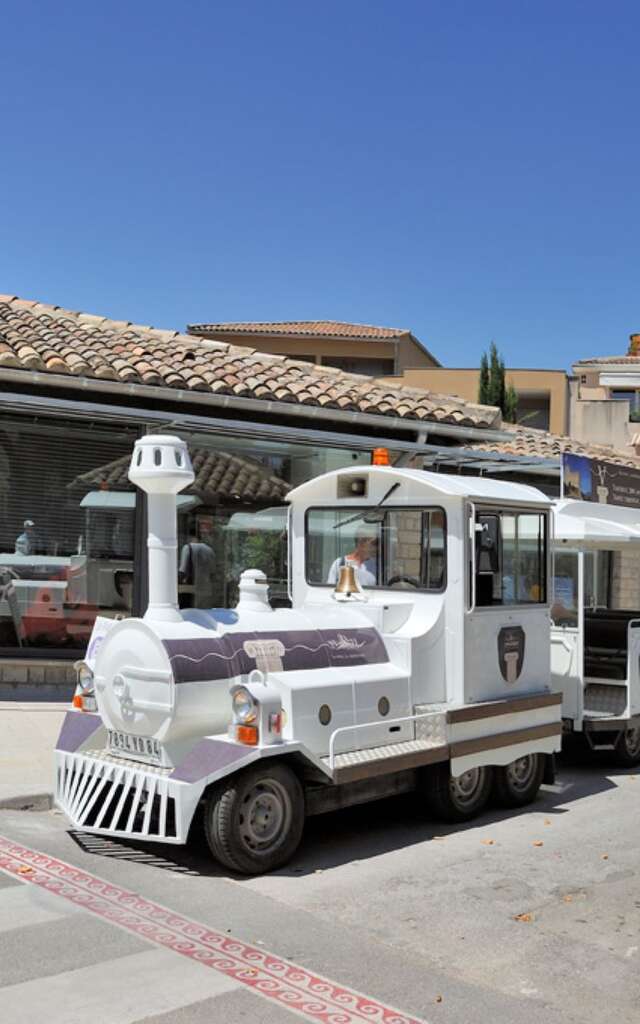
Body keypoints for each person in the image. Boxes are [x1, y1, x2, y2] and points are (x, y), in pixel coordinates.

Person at [179, 528, 216, 608]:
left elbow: (183, 570)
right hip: (206, 590)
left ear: (189, 537)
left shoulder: (187, 547)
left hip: (191, 590)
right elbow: (213, 572)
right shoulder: (210, 550)